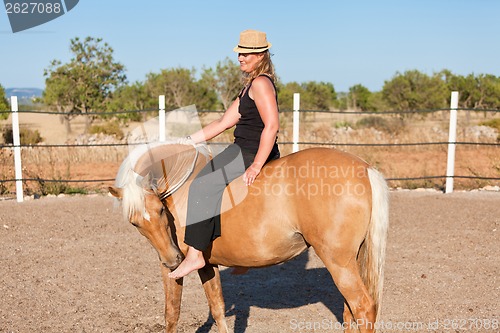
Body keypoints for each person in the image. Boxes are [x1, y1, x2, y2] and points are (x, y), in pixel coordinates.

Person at [168, 29, 280, 279]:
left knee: (202, 184)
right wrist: (186, 142)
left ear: (261, 55)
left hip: (249, 151)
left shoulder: (261, 84)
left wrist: (256, 165)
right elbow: (221, 123)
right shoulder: (250, 86)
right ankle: (241, 253)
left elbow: (272, 126)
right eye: (240, 52)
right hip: (248, 149)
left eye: (246, 53)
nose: (240, 57)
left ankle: (195, 254)